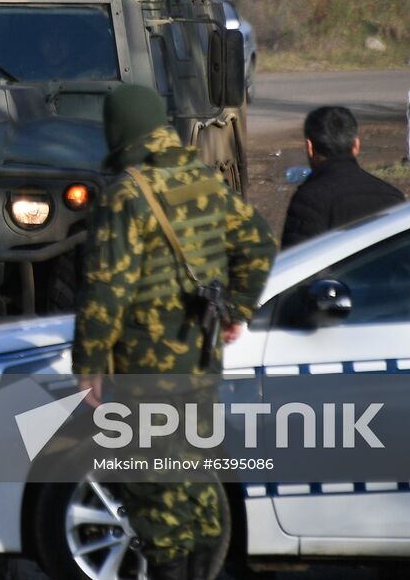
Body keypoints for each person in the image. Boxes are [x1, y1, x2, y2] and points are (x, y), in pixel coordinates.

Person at [73, 84, 276, 579]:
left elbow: (107, 292)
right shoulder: (203, 181)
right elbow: (260, 242)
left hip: (143, 370)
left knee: (152, 488)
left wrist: (88, 366)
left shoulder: (126, 195)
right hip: (200, 361)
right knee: (195, 484)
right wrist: (238, 310)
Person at [281, 106, 404, 248]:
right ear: (356, 145)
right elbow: (407, 261)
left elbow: (297, 261)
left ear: (310, 147)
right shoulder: (393, 197)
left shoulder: (309, 200)